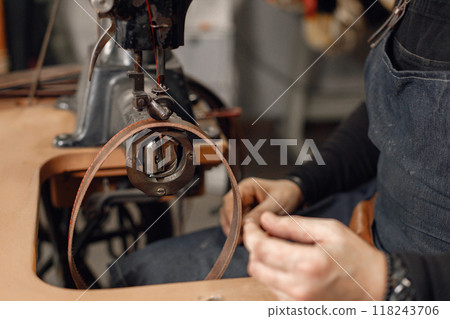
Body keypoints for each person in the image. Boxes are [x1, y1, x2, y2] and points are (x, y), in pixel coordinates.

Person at [110, 0, 449, 300]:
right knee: (135, 274)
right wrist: (300, 184)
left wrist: (394, 279)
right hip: (374, 223)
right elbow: (396, 115)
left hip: (416, 290)